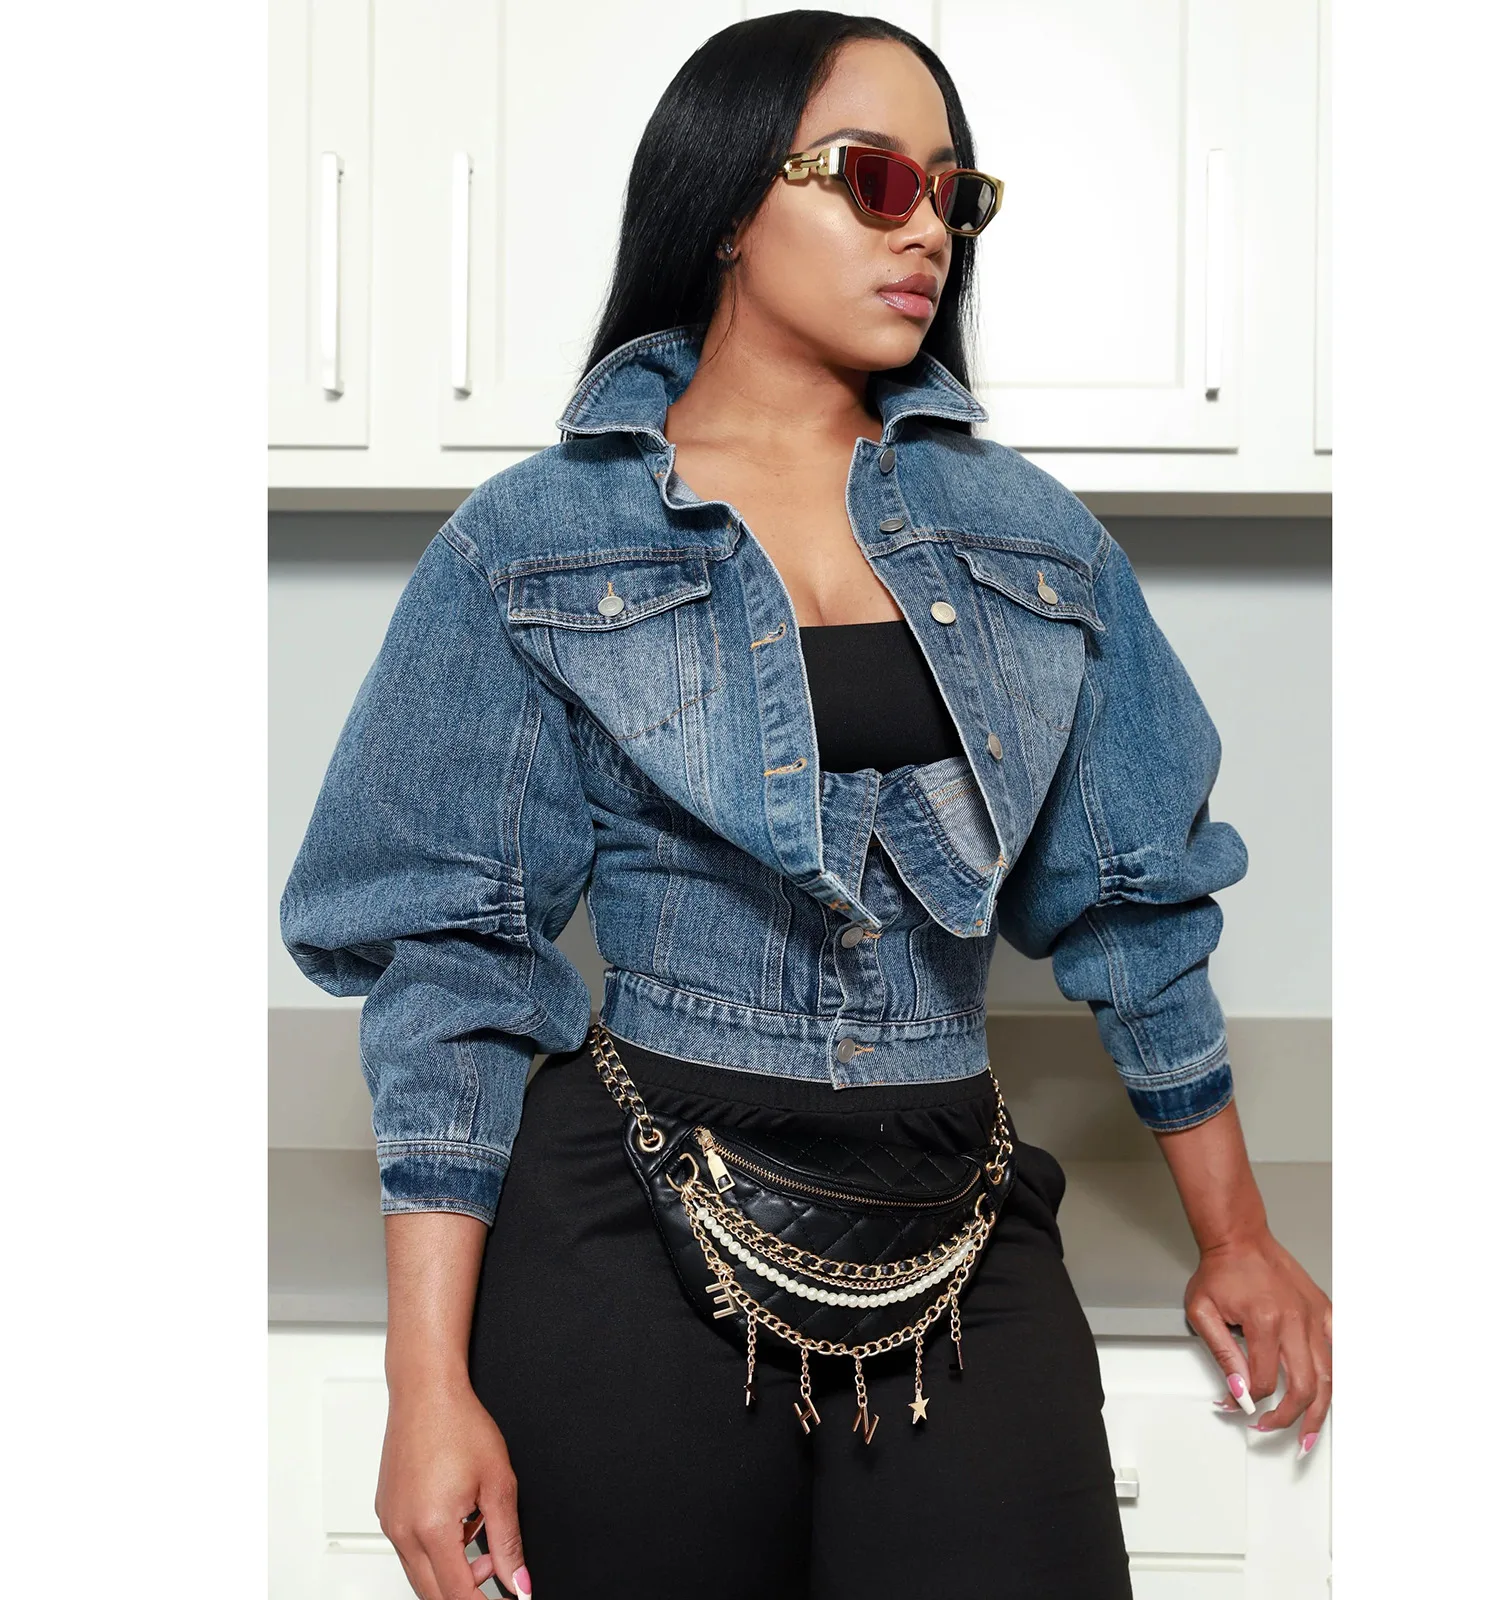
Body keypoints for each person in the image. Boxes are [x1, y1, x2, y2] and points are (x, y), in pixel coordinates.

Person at [280, 13, 1332, 1599]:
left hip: (957, 1213)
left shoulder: (1036, 539)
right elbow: (454, 970)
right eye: (876, 178)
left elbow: (1135, 907)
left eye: (954, 195)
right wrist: (423, 1384)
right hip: (623, 1226)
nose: (927, 229)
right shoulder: (531, 544)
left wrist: (1236, 1237)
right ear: (725, 203)